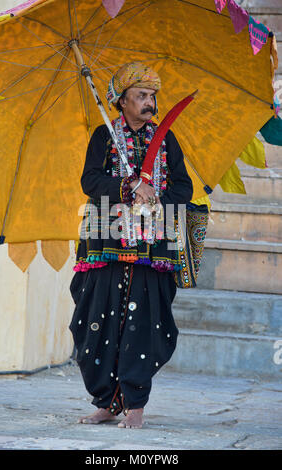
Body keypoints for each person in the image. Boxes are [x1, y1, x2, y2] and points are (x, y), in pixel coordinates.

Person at [69, 62, 193, 429]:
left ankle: (135, 406)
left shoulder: (166, 139)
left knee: (145, 323)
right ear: (121, 101)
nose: (149, 102)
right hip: (105, 244)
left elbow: (183, 188)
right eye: (141, 95)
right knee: (93, 320)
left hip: (151, 250)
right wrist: (126, 189)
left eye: (152, 96)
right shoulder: (102, 137)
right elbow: (89, 180)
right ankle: (106, 402)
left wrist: (155, 197)